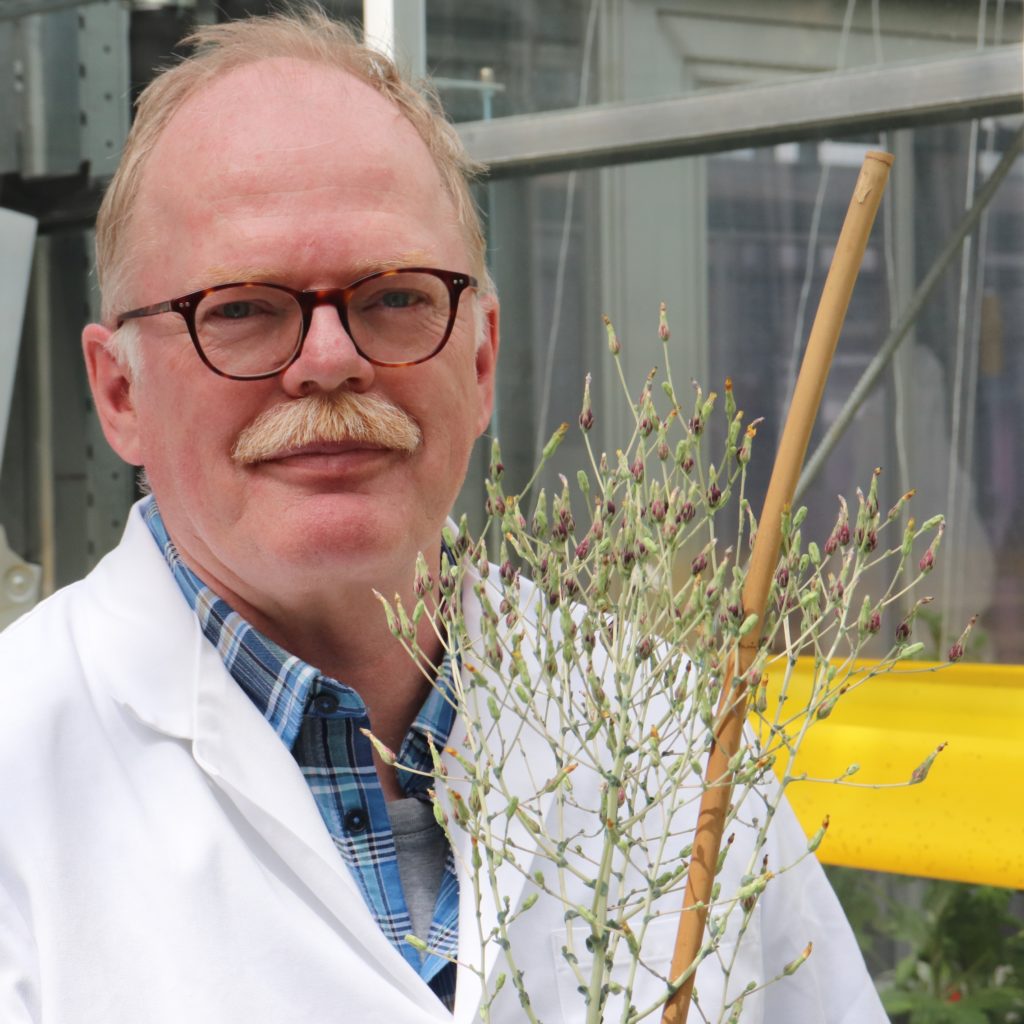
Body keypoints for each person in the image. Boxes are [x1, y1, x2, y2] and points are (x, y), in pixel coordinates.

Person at [0, 9, 888, 1023]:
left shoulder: (668, 732)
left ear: (479, 359)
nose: (329, 359)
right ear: (119, 394)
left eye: (393, 297)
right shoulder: (19, 771)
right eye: (240, 308)